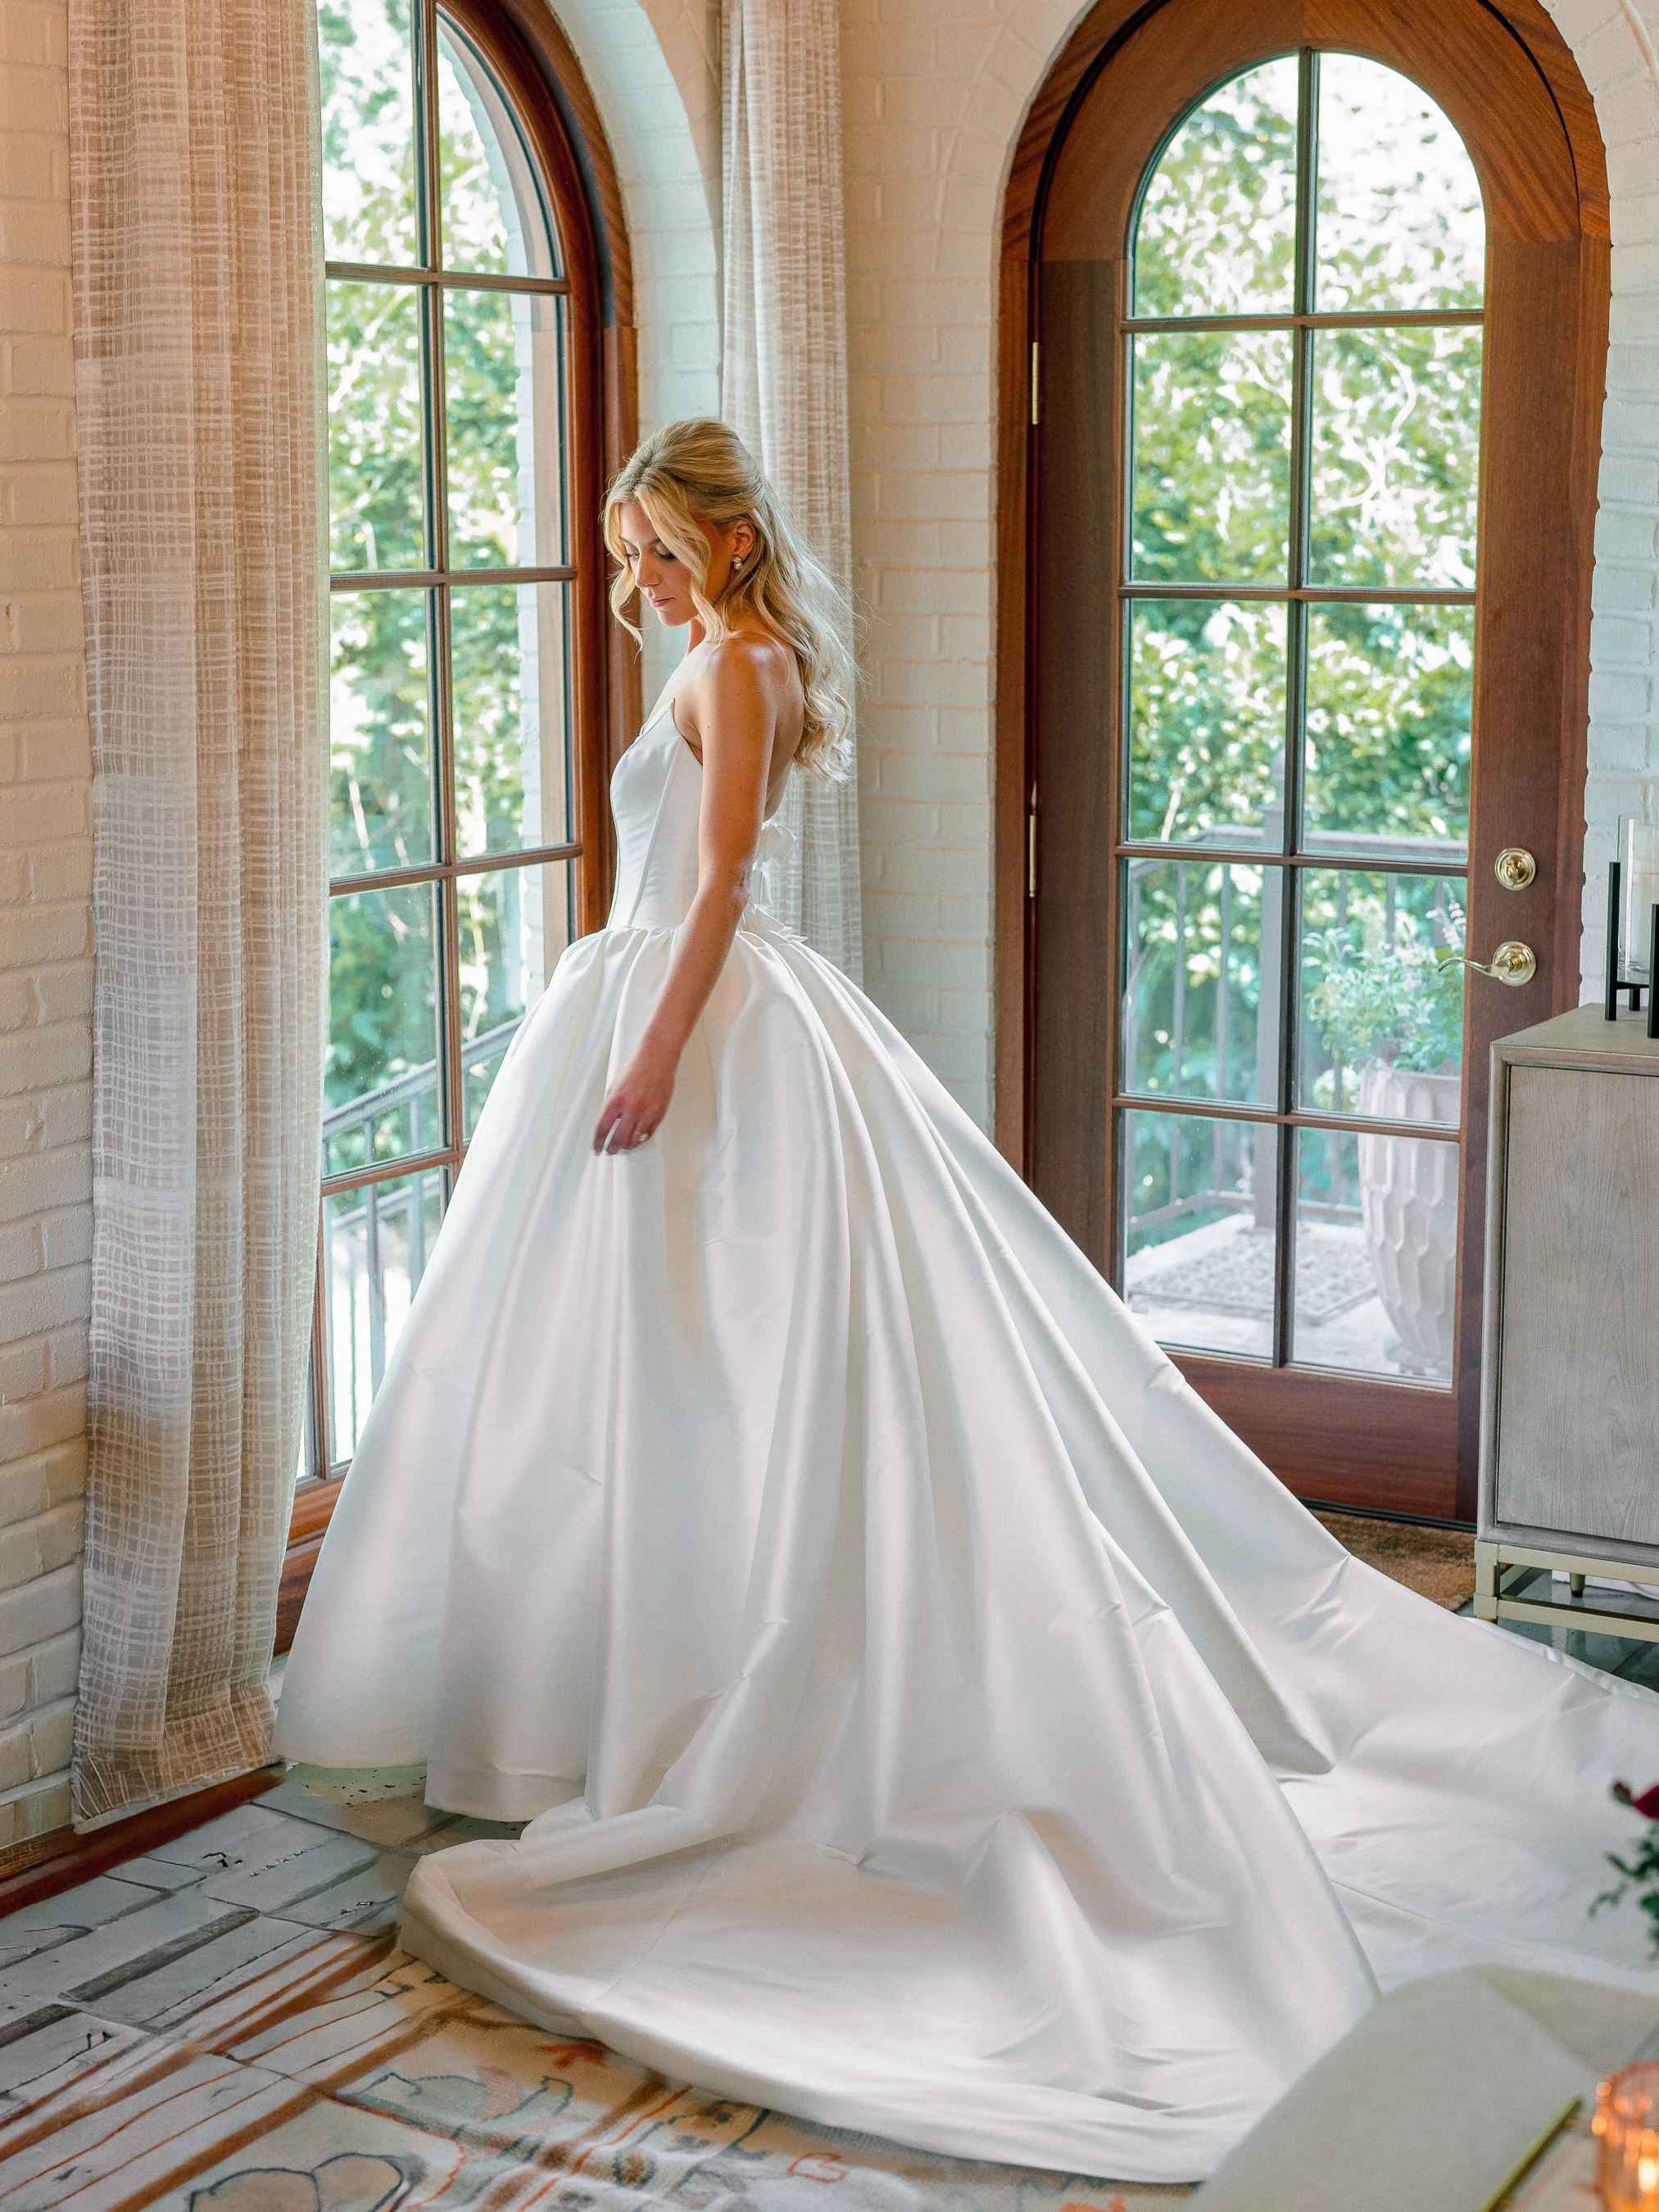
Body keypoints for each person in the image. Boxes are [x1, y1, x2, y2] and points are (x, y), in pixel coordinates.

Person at [277, 418, 1659, 2186]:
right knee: (624, 1390)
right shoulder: (714, 652)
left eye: (652, 543)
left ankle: (713, 1716)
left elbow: (714, 886)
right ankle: (615, 1693)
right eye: (625, 546)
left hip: (689, 1024)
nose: (635, 573)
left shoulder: (742, 661)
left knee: (722, 1377)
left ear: (715, 536)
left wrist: (651, 1052)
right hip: (648, 1010)